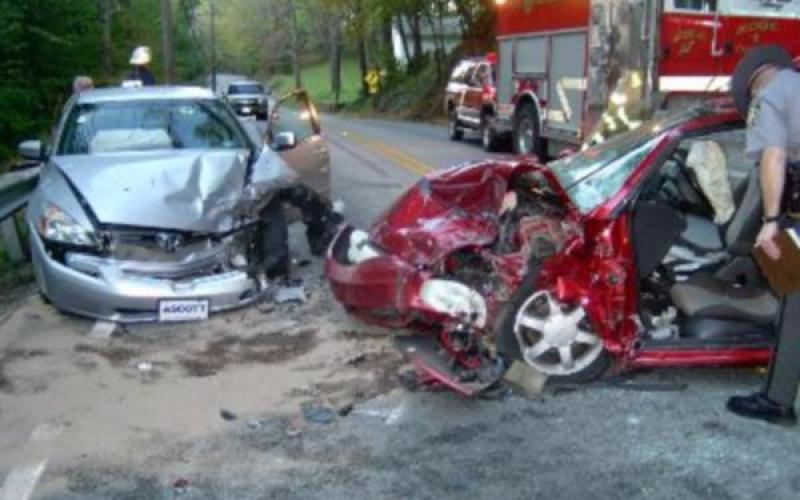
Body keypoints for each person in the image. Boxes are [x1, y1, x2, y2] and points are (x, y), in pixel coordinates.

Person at [726, 45, 800, 425]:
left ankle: (777, 401)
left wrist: (771, 220)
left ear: (753, 82)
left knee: (794, 300)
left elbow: (773, 156)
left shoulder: (770, 94)